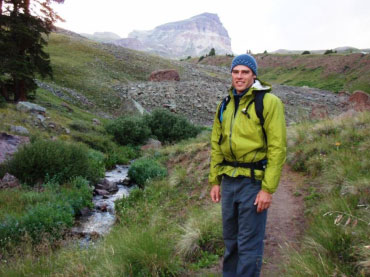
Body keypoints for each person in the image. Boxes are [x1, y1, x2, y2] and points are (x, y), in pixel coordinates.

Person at [209, 54, 286, 277]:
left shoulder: (269, 103)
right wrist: (215, 180)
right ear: (231, 74)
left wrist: (267, 189)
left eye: (245, 72)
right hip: (229, 181)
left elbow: (277, 148)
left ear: (254, 75)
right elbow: (216, 144)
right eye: (236, 72)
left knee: (249, 244)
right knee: (231, 242)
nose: (239, 76)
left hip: (253, 182)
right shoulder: (225, 104)